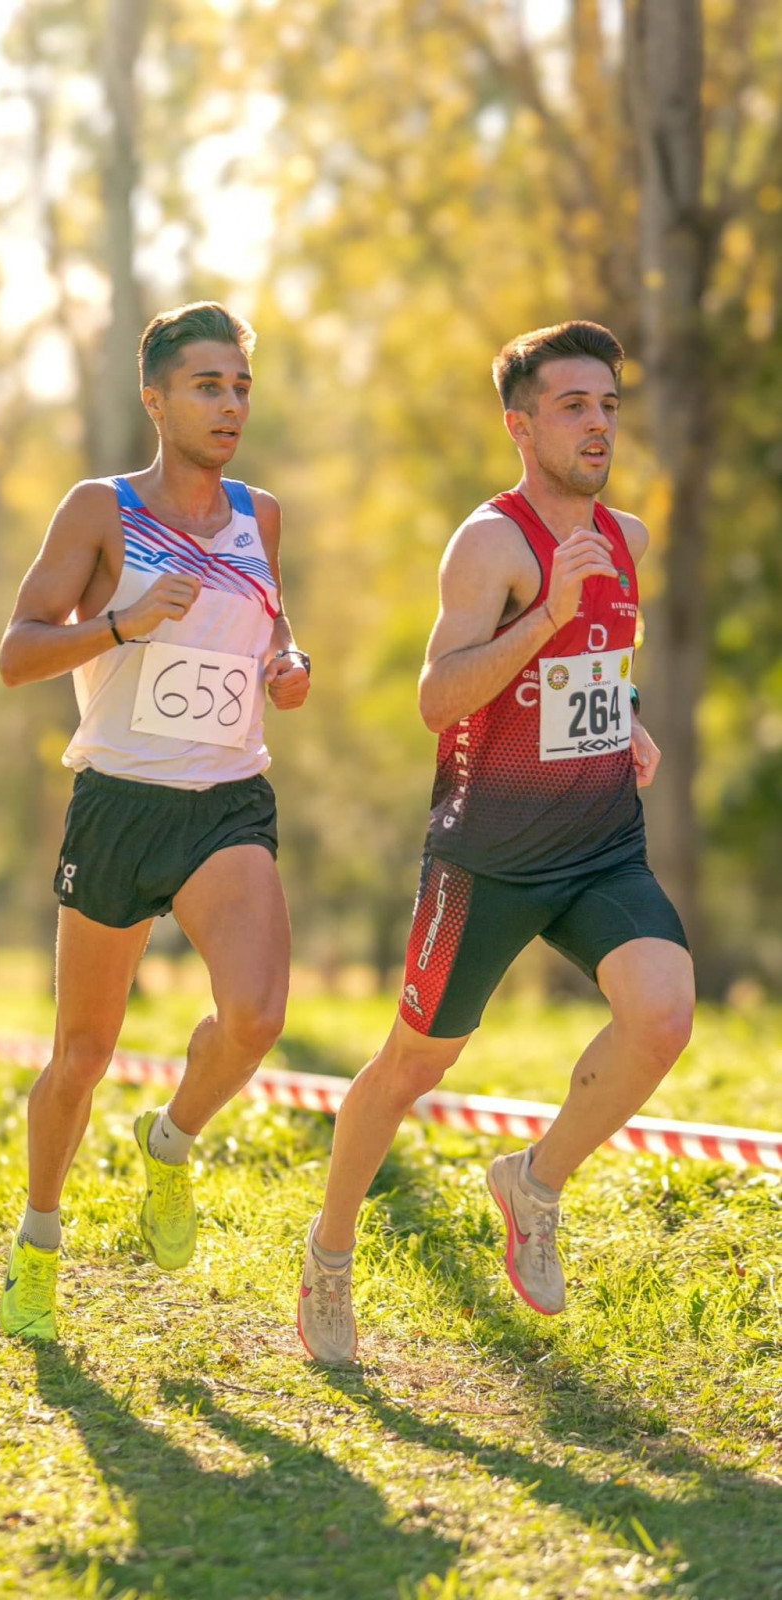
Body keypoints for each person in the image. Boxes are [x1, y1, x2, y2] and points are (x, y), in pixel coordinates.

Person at [297, 320, 694, 1364]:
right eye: (573, 406)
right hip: (488, 860)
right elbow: (439, 698)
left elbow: (597, 666)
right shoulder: (491, 544)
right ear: (521, 426)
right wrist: (545, 617)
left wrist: (629, 715)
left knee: (663, 1015)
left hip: (602, 843)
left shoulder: (627, 540)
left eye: (608, 403)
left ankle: (535, 1181)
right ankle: (330, 1256)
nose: (599, 423)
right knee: (408, 1069)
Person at [0, 301, 310, 1340]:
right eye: (208, 386)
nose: (230, 405)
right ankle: (40, 1240)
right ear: (156, 397)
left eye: (241, 386)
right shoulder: (101, 509)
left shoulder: (261, 517)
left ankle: (172, 1139)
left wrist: (288, 665)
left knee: (257, 1014)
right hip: (120, 802)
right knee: (81, 1053)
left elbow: (274, 631)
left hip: (226, 801)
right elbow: (17, 652)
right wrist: (123, 621)